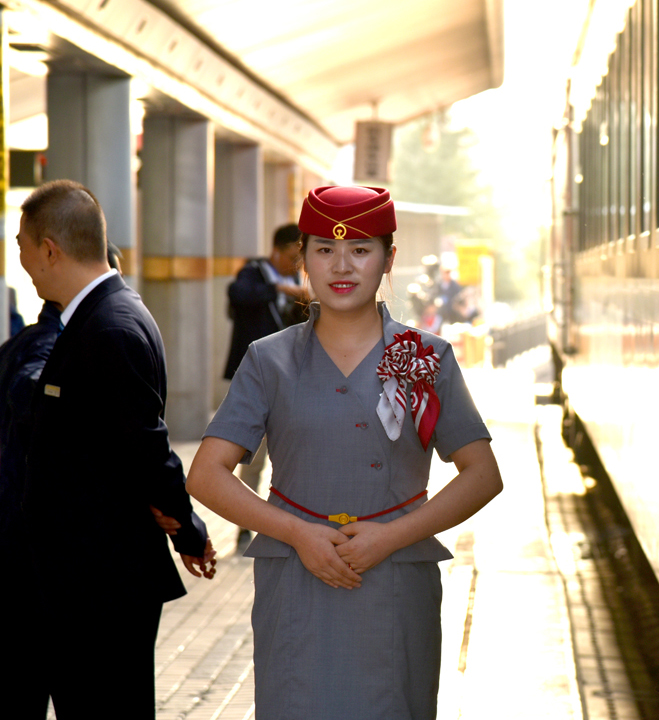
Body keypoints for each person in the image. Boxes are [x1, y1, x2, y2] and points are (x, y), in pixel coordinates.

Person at [187, 185, 503, 720]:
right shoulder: (269, 360)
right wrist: (297, 533)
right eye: (324, 250)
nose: (342, 265)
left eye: (361, 250)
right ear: (302, 259)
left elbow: (482, 475)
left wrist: (390, 537)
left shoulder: (424, 356)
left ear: (389, 259)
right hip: (295, 581)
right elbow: (206, 475)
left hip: (397, 580)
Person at [12, 179, 216, 718]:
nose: (24, 262)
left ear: (50, 249)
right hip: (82, 576)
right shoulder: (103, 315)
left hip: (99, 582)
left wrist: (187, 528)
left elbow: (147, 447)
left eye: (23, 247)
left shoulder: (109, 327)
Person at [224, 223, 308, 507]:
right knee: (251, 452)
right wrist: (279, 288)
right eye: (292, 257)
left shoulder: (300, 281)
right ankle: (244, 519)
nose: (297, 264)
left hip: (292, 377)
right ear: (276, 251)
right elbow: (238, 295)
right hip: (256, 376)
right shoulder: (253, 273)